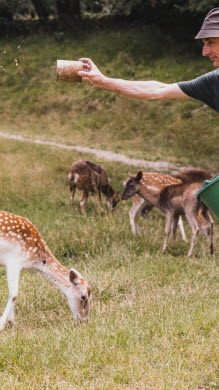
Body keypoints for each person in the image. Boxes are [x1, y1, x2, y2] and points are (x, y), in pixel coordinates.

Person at [78, 8, 219, 113]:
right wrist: (103, 81)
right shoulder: (214, 81)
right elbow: (158, 90)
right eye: (204, 44)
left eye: (211, 42)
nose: (204, 52)